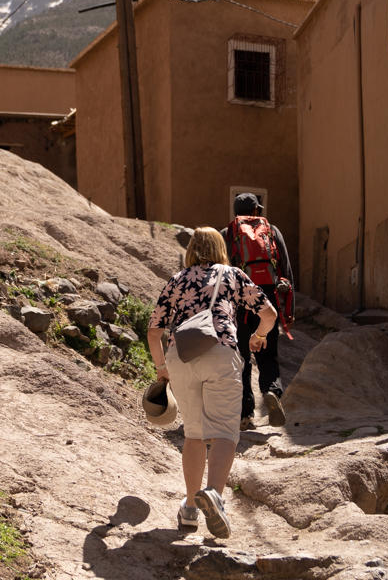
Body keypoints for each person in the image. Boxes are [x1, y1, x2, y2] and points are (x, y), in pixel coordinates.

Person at [147, 226, 276, 538]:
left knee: (193, 434)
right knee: (224, 432)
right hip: (220, 352)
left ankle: (190, 509)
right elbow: (269, 313)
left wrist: (162, 369)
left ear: (191, 250)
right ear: (220, 249)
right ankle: (214, 495)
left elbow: (154, 332)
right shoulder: (231, 275)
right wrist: (259, 336)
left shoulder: (178, 280)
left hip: (181, 356)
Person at [222, 194, 294, 428]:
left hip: (239, 305)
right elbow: (285, 267)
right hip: (268, 302)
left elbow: (221, 270)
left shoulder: (228, 233)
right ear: (256, 209)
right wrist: (288, 311)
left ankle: (245, 415)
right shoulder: (271, 230)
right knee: (267, 354)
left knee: (241, 358)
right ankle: (271, 391)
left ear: (236, 212)